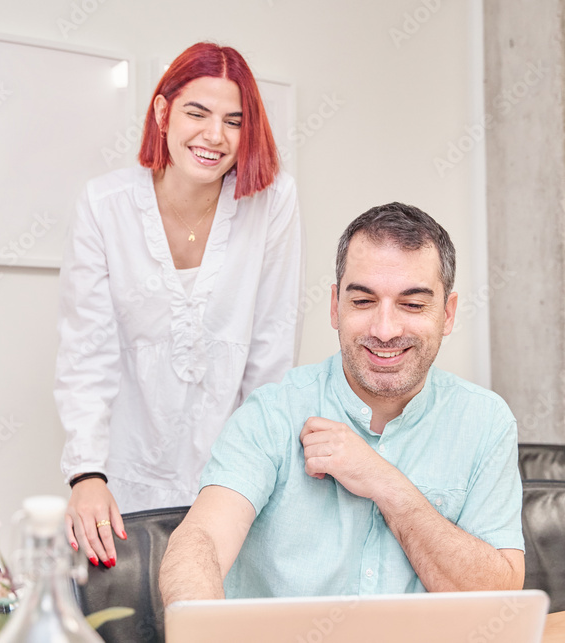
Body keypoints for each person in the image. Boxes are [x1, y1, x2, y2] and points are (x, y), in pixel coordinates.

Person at [159, 203, 524, 603]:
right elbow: (199, 543)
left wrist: (385, 484)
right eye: (363, 302)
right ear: (335, 307)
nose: (385, 330)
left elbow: (499, 596)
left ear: (448, 314)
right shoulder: (273, 413)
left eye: (413, 304)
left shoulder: (486, 422)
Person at [55, 42, 304, 569]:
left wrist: (264, 475)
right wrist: (86, 475)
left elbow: (271, 353)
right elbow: (87, 354)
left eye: (234, 121)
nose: (215, 136)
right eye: (198, 113)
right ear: (163, 113)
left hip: (237, 479)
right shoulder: (105, 206)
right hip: (122, 479)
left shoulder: (274, 202)